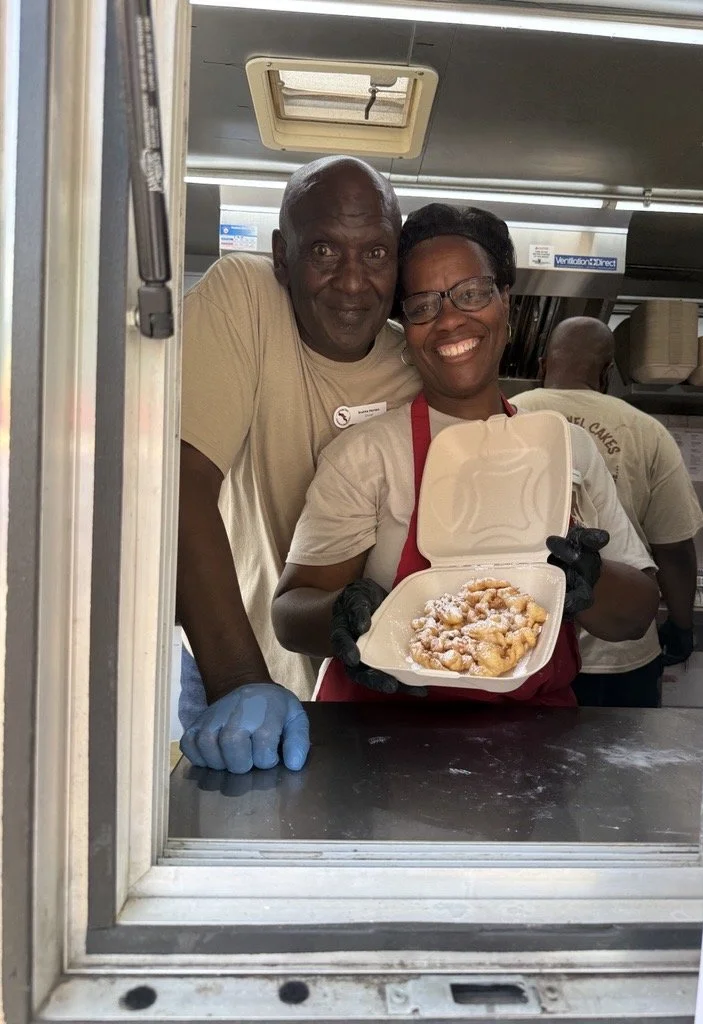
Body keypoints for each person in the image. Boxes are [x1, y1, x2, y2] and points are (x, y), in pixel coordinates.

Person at [272, 204, 659, 704]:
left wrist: (591, 580)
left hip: (530, 747)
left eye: (472, 293)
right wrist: (341, 615)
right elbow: (289, 614)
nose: (450, 320)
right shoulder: (367, 454)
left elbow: (637, 615)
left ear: (505, 300)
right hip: (383, 745)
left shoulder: (568, 448)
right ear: (406, 327)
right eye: (423, 305)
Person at [177, 156, 421, 774]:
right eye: (323, 252)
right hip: (232, 655)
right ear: (283, 255)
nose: (351, 282)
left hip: (369, 685)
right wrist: (238, 682)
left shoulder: (417, 367)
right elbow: (175, 481)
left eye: (375, 254)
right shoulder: (247, 297)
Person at [514, 316, 703, 707]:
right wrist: (682, 626)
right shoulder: (646, 430)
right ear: (606, 373)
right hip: (619, 656)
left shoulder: (508, 416)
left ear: (541, 365)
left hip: (526, 649)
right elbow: (674, 549)